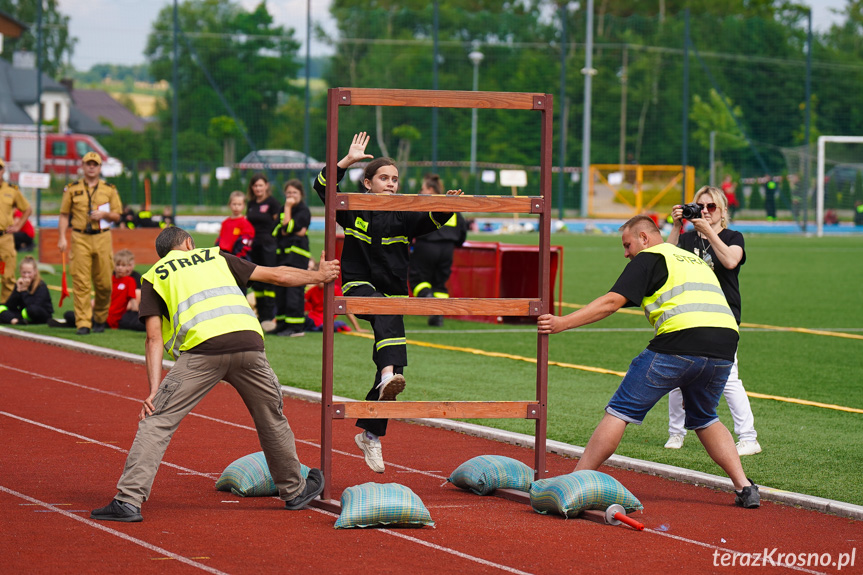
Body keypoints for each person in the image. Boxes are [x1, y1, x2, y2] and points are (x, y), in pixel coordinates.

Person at [90, 226, 340, 522]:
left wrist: (154, 391)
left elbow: (153, 339)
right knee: (271, 420)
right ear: (188, 243)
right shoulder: (214, 256)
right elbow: (278, 275)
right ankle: (295, 490)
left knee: (157, 423)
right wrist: (320, 276)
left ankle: (128, 501)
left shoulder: (155, 274)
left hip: (201, 351)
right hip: (248, 343)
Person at [537, 215, 760, 508]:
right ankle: (745, 487)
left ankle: (577, 480)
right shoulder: (688, 258)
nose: (626, 253)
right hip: (725, 347)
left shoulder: (650, 257)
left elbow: (610, 302)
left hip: (680, 342)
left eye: (627, 244)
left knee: (619, 411)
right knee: (705, 416)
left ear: (644, 237)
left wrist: (562, 323)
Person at [314, 132, 461, 473]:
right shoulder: (352, 207)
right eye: (384, 178)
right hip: (358, 286)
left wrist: (448, 206)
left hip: (392, 295)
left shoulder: (404, 213)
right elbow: (323, 189)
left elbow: (430, 221)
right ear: (367, 183)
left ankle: (371, 434)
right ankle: (386, 376)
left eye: (395, 179)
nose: (391, 184)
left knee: (394, 372)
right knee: (385, 316)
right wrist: (346, 161)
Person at [665, 187, 761, 456]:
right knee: (676, 374)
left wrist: (708, 232)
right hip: (689, 314)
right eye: (699, 206)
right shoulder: (685, 238)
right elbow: (665, 262)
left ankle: (749, 437)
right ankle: (676, 432)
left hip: (723, 317)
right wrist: (676, 226)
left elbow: (731, 261)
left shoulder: (732, 237)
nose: (705, 211)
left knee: (729, 377)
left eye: (711, 207)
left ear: (723, 211)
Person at [57, 151, 123, 335]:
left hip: (102, 237)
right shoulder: (72, 188)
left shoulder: (109, 189)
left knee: (104, 284)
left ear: (100, 167)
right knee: (81, 282)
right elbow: (64, 215)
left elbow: (117, 215)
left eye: (95, 164)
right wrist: (62, 237)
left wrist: (105, 215)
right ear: (83, 166)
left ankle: (100, 318)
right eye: (88, 164)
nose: (92, 167)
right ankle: (83, 322)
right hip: (80, 237)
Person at [409, 173, 468, 327]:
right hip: (447, 250)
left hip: (426, 246)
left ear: (430, 189)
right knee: (440, 284)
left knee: (417, 279)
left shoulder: (426, 204)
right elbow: (462, 232)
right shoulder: (450, 206)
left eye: (422, 189)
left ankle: (430, 301)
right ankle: (438, 315)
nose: (420, 192)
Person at [273, 179, 311, 336]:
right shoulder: (282, 209)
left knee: (293, 291)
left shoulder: (303, 210)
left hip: (297, 256)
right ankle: (282, 324)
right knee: (280, 289)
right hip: (282, 255)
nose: (290, 196)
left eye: (294, 193)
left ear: (301, 194)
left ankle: (295, 327)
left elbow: (287, 227)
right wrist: (288, 227)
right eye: (288, 193)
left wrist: (288, 209)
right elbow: (277, 230)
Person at [246, 174, 282, 330]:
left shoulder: (272, 203)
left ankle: (269, 316)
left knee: (268, 280)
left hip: (268, 246)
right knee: (257, 281)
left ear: (266, 186)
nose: (258, 188)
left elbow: (279, 223)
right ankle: (260, 315)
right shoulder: (251, 204)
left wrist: (272, 240)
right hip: (254, 246)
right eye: (255, 186)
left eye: (260, 185)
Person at [303, 258, 366, 334]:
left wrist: (357, 328)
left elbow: (345, 309)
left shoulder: (333, 290)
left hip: (319, 322)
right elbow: (304, 305)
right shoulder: (313, 290)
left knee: (338, 324)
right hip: (314, 320)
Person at [0, 158, 33, 302]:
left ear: (3, 171)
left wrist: (18, 227)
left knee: (8, 276)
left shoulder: (11, 190)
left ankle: (4, 308)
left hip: (5, 238)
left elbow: (27, 209)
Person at [0, 256, 53, 325]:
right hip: (23, 312)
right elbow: (10, 305)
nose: (26, 275)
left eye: (29, 273)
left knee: (32, 310)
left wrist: (24, 291)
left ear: (35, 272)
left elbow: (34, 305)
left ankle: (15, 319)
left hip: (39, 313)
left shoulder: (41, 286)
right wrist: (18, 290)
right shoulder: (20, 283)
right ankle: (15, 321)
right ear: (20, 272)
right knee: (2, 307)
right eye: (24, 273)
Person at [107, 249, 145, 331]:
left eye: (126, 265)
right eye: (118, 265)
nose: (121, 268)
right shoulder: (112, 277)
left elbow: (134, 301)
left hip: (127, 309)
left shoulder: (134, 278)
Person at [216, 191, 255, 260]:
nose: (236, 207)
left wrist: (238, 257)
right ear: (229, 205)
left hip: (237, 257)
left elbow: (245, 244)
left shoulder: (245, 223)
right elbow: (220, 239)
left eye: (239, 204)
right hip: (223, 255)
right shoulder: (225, 222)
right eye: (234, 204)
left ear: (244, 206)